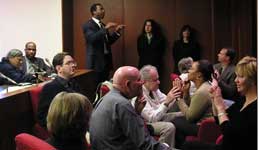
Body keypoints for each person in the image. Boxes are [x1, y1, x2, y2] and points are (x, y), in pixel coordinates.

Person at [182, 56, 257, 150]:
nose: (235, 80)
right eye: (236, 76)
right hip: (226, 145)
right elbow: (218, 120)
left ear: (253, 80)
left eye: (240, 77)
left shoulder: (255, 108)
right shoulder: (242, 100)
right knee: (188, 145)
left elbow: (229, 133)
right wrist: (215, 99)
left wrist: (220, 107)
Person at [90, 66, 171, 150]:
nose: (143, 82)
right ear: (128, 84)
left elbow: (126, 129)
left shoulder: (107, 98)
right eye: (139, 80)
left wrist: (137, 112)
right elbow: (145, 144)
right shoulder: (122, 104)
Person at [172, 60, 214, 148]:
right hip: (203, 124)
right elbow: (192, 108)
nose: (188, 71)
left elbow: (190, 117)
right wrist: (186, 93)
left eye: (191, 68)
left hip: (204, 128)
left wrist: (178, 98)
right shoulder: (205, 86)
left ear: (199, 75)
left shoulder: (202, 91)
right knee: (177, 119)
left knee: (175, 121)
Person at [139, 65, 183, 149]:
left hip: (159, 117)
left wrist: (176, 93)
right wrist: (166, 102)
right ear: (144, 81)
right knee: (169, 127)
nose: (159, 82)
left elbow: (167, 103)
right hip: (147, 123)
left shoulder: (154, 89)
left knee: (182, 115)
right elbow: (152, 119)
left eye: (158, 79)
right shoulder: (140, 94)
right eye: (155, 80)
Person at [82, 3, 125, 85]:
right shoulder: (88, 25)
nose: (104, 11)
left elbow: (108, 42)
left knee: (105, 87)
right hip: (95, 64)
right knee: (96, 88)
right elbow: (92, 39)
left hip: (105, 62)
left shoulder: (103, 25)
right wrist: (106, 28)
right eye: (101, 9)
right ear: (94, 12)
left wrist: (117, 32)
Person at [37, 52, 82, 128]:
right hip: (63, 129)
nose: (73, 65)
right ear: (59, 68)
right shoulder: (50, 88)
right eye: (68, 63)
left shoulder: (74, 83)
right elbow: (42, 117)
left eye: (73, 62)